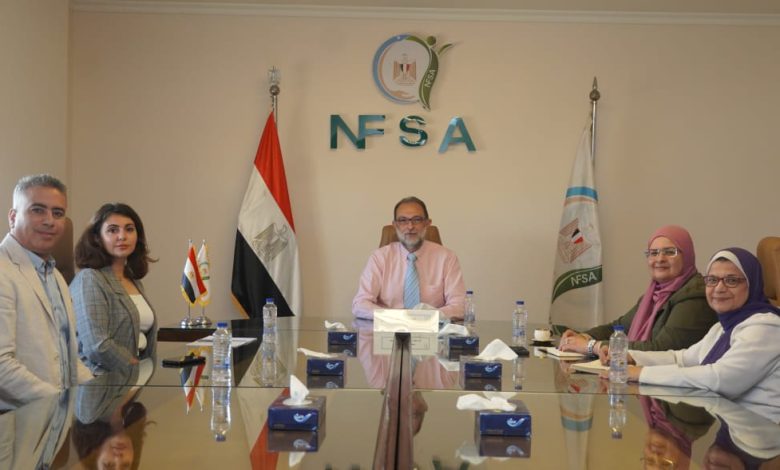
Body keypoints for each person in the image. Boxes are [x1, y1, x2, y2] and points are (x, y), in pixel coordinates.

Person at [619, 248, 780, 406]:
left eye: (731, 281)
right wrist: (631, 357)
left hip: (761, 422)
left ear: (752, 284)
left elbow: (721, 379)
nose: (719, 288)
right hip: (730, 418)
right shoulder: (721, 328)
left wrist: (642, 373)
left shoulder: (766, 327)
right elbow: (682, 359)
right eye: (712, 280)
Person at [0, 174, 91, 407]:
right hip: (17, 420)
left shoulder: (55, 275)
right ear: (13, 217)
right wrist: (59, 402)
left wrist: (97, 396)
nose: (50, 221)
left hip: (55, 418)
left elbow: (68, 359)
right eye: (38, 210)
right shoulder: (3, 271)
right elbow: (1, 365)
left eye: (58, 213)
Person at [560, 225, 717, 359]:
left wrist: (592, 346)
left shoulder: (695, 296)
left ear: (687, 256)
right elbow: (618, 327)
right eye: (653, 253)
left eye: (670, 252)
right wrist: (583, 336)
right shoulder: (654, 295)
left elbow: (661, 349)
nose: (660, 259)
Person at [70, 203, 157, 375]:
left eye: (129, 229)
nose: (122, 236)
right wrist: (135, 367)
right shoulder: (90, 279)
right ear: (97, 238)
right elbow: (97, 346)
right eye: (112, 230)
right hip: (103, 380)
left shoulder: (133, 280)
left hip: (135, 377)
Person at [352, 196, 466, 320]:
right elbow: (360, 304)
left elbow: (459, 306)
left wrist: (426, 317)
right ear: (395, 225)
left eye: (417, 220)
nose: (410, 226)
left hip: (432, 328)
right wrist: (397, 317)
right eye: (403, 220)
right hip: (389, 327)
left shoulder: (447, 258)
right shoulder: (379, 258)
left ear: (427, 223)